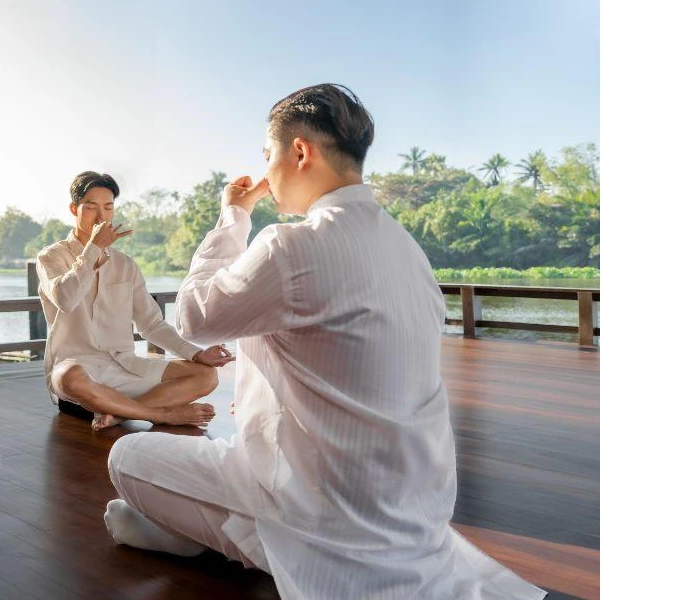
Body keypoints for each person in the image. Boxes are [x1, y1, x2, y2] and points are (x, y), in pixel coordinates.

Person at [102, 84, 545, 599]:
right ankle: (232, 537)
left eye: (268, 156)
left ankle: (239, 543)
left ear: (299, 152)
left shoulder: (293, 246)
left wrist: (234, 217)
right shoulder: (408, 251)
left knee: (127, 458)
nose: (266, 171)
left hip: (316, 494)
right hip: (410, 506)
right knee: (227, 462)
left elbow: (196, 317)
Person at [36, 171, 236, 431]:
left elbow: (151, 324)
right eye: (91, 207)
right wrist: (93, 249)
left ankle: (120, 414)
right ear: (74, 208)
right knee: (67, 378)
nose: (101, 216)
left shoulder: (125, 265)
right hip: (79, 369)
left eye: (108, 207)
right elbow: (66, 298)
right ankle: (160, 414)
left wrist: (196, 353)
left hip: (125, 367)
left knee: (206, 376)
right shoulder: (51, 257)